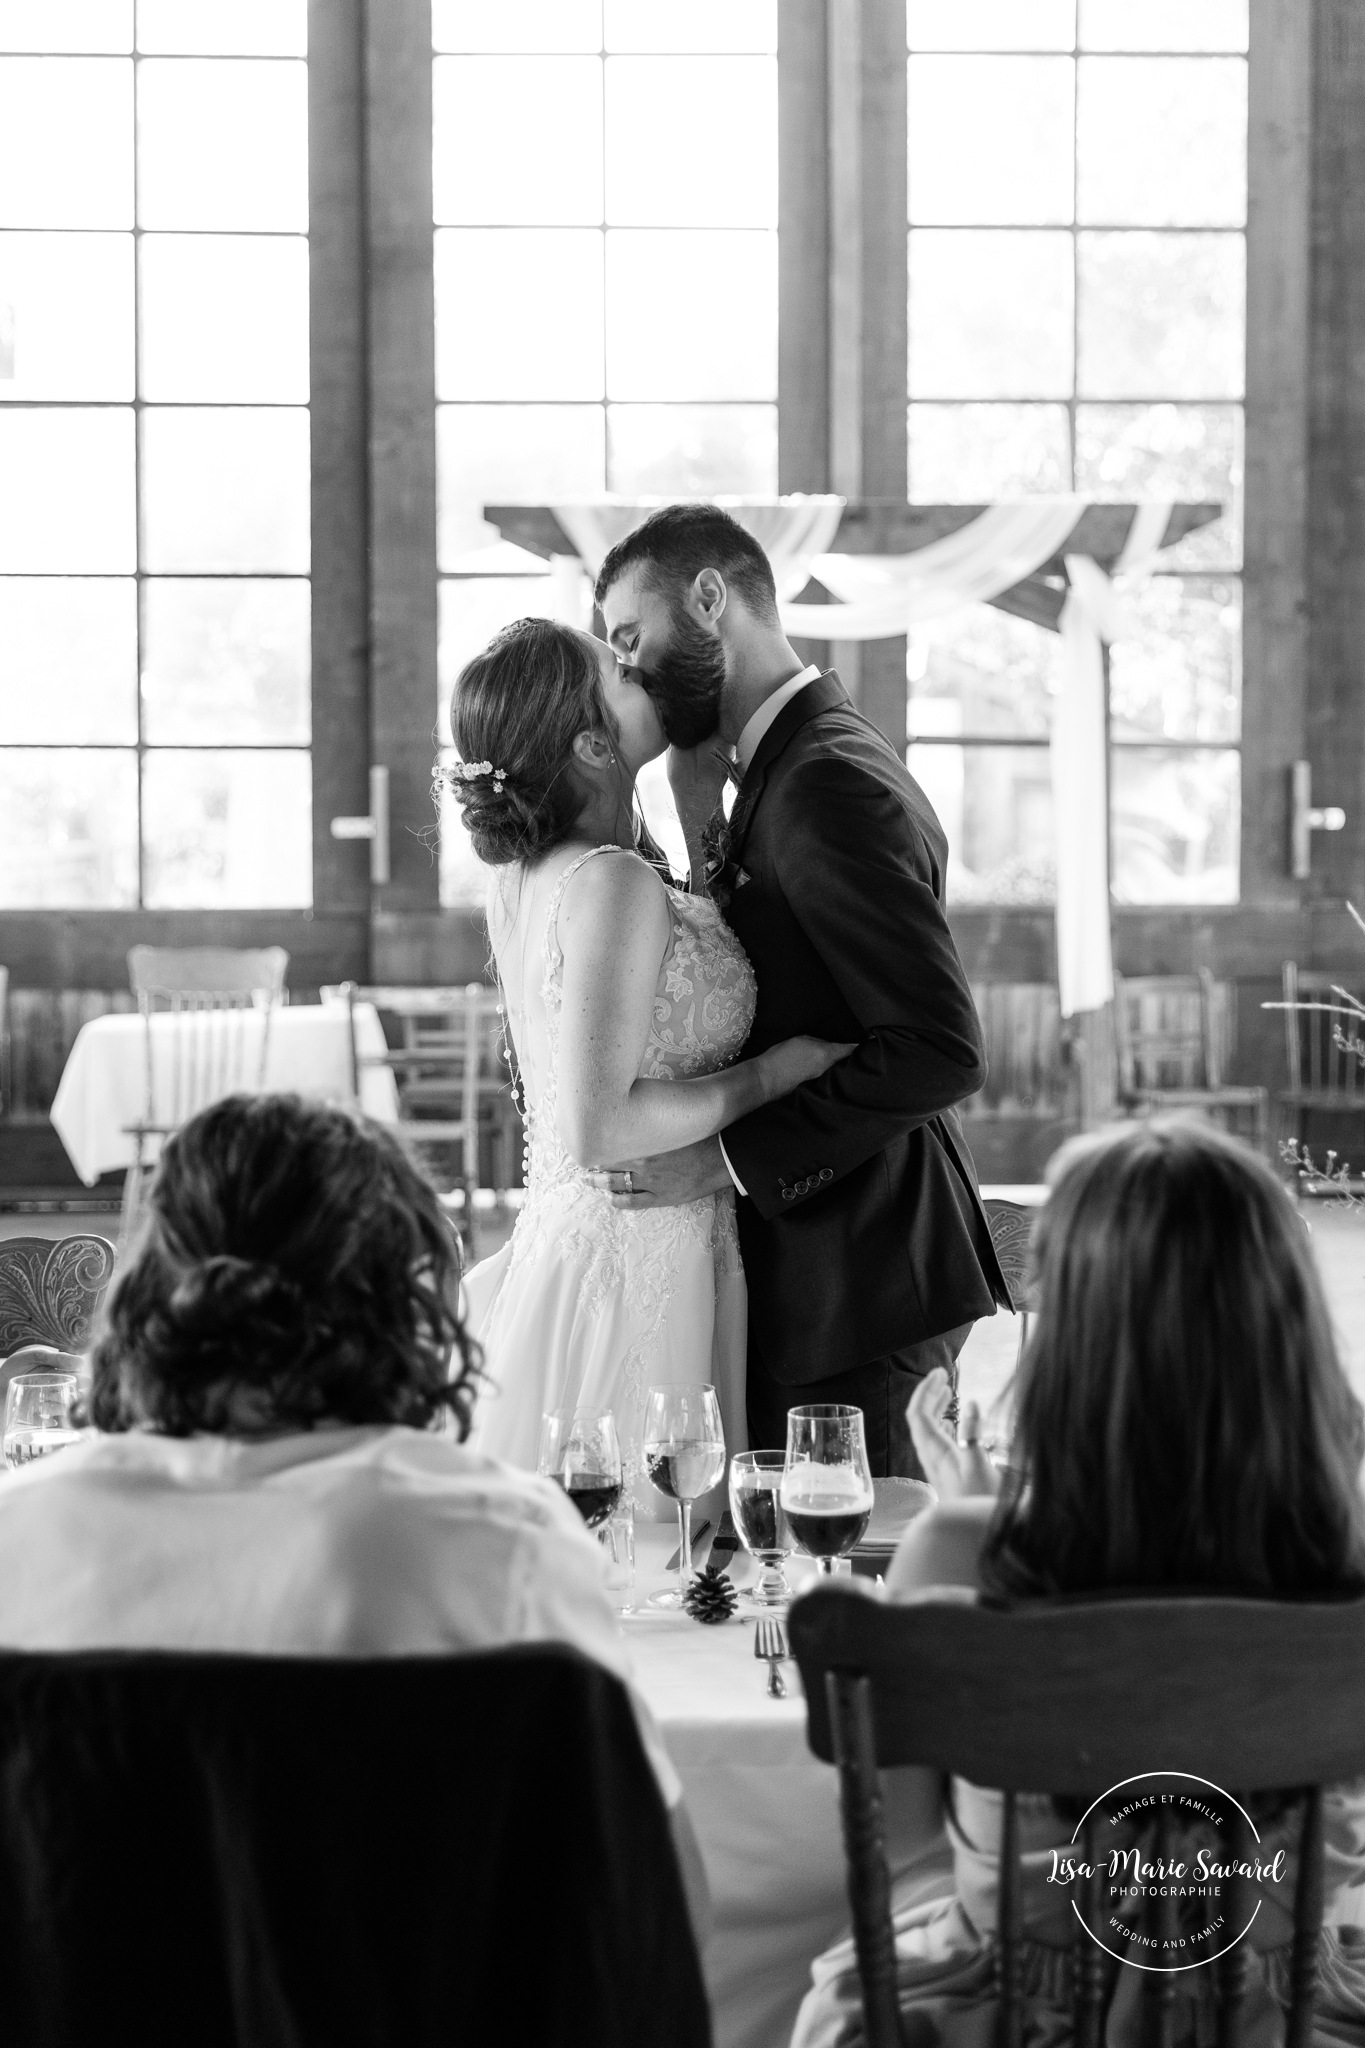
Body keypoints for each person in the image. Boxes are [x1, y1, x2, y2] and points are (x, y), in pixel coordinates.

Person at [0, 1091, 709, 1922]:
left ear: (151, 1290)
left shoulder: (20, 1536)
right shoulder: (504, 1546)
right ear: (403, 1301)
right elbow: (661, 1911)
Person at [794, 1118, 1365, 2048]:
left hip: (1006, 2020)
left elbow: (905, 1856)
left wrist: (973, 1527)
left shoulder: (954, 1555)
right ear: (1286, 1322)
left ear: (1072, 1336)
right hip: (1287, 2021)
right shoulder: (1347, 1564)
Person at [591, 503, 1008, 1478]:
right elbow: (788, 973)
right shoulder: (785, 764)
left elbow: (941, 1048)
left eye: (628, 636)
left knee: (850, 1591)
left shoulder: (827, 783)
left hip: (861, 1285)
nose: (628, 671)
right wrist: (699, 818)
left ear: (708, 597)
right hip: (828, 1275)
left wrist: (727, 1160)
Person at [448, 614, 849, 1507]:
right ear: (593, 741)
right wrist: (771, 1074)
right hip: (638, 1255)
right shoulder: (610, 882)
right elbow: (600, 1124)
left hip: (590, 1243)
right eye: (619, 673)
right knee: (651, 1544)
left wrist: (692, 789)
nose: (641, 668)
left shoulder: (525, 878)